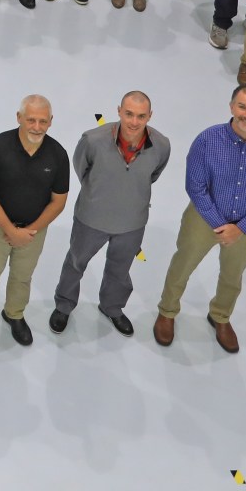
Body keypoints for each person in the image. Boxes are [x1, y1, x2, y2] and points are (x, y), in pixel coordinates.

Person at [152, 85, 246, 352]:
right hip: (203, 219)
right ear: (231, 107)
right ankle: (167, 312)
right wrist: (217, 223)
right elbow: (196, 186)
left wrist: (242, 227)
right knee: (183, 265)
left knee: (233, 275)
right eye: (242, 107)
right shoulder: (207, 140)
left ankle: (220, 316)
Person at [49, 91, 170, 336]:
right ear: (118, 111)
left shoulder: (161, 145)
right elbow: (81, 169)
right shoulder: (93, 140)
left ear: (150, 116)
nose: (134, 122)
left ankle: (112, 307)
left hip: (132, 222)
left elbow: (152, 175)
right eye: (128, 114)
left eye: (141, 116)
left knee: (120, 268)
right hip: (91, 218)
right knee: (76, 262)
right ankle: (64, 305)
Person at [0, 96, 70, 347]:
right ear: (19, 118)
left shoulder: (57, 155)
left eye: (42, 121)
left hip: (34, 230)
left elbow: (59, 201)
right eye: (31, 119)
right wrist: (11, 230)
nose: (36, 126)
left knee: (22, 276)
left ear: (51, 122)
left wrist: (28, 231)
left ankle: (14, 314)